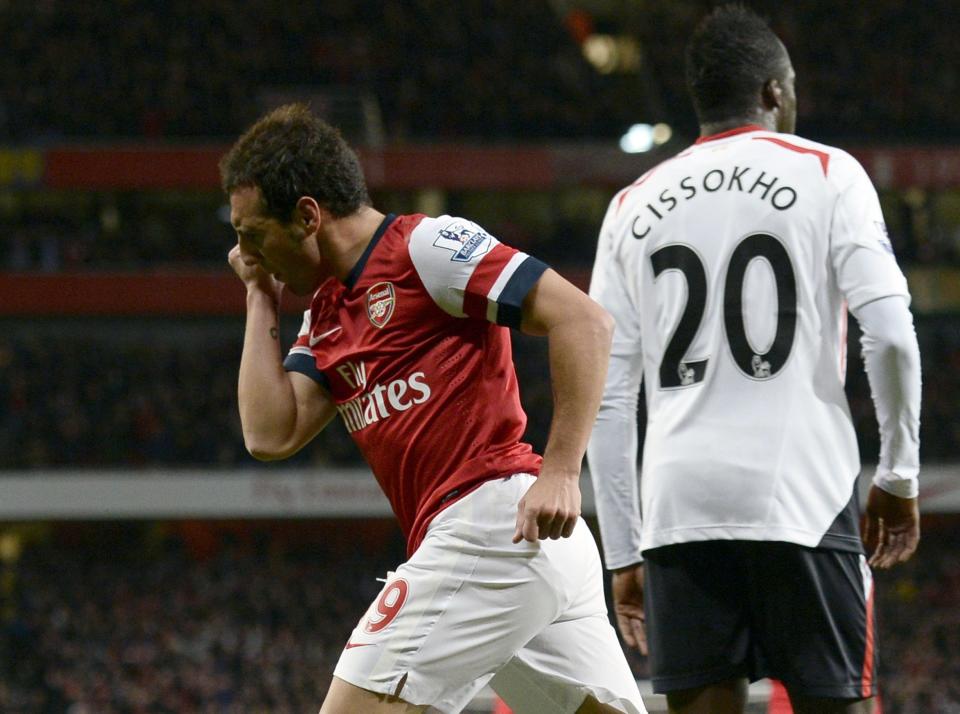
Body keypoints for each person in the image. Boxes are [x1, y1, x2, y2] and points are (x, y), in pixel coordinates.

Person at [220, 104, 646, 714]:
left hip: (494, 522)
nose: (243, 252)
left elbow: (583, 319)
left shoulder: (425, 247)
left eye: (251, 233)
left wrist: (560, 470)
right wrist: (259, 294)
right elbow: (270, 432)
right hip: (516, 552)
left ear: (308, 215)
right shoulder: (326, 312)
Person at [586, 6, 921, 714]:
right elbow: (888, 334)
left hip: (679, 507)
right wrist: (898, 472)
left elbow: (607, 398)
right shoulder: (830, 173)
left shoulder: (630, 206)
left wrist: (623, 548)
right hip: (801, 489)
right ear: (773, 90)